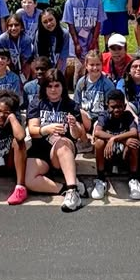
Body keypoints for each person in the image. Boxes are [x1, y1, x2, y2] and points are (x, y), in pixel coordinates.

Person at [26, 69, 86, 211]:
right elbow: (32, 130)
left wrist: (74, 125)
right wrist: (46, 129)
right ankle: (66, 189)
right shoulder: (37, 103)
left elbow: (78, 135)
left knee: (62, 144)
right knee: (29, 180)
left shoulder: (71, 105)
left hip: (63, 148)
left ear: (62, 87)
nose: (53, 90)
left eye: (57, 86)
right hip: (41, 148)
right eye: (50, 86)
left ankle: (72, 190)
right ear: (44, 87)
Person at [91, 88, 140, 201]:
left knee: (133, 143)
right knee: (99, 142)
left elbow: (134, 132)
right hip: (108, 157)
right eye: (113, 107)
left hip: (124, 157)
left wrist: (115, 138)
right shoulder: (104, 115)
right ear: (107, 105)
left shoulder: (127, 115)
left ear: (124, 106)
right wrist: (120, 139)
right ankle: (101, 179)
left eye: (119, 106)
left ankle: (133, 179)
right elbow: (97, 132)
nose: (116, 110)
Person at [62, 0, 103, 66]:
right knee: (77, 68)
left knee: (92, 65)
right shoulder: (71, 0)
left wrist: (94, 41)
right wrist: (76, 44)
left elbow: (98, 22)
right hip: (76, 39)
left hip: (91, 39)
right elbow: (70, 23)